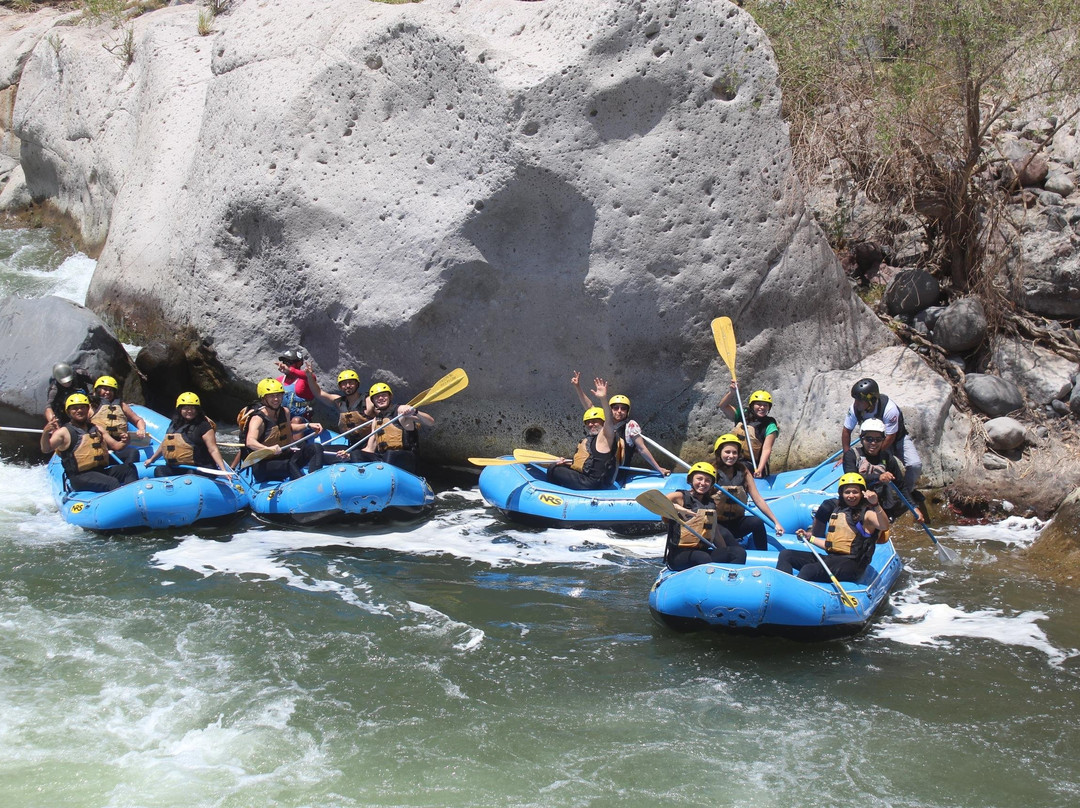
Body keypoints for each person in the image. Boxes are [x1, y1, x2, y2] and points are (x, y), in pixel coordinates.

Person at [776, 472, 890, 582]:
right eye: (847, 492)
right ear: (841, 493)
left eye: (855, 492)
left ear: (861, 493)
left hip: (852, 564)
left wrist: (875, 504)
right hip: (833, 558)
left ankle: (796, 596)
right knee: (786, 555)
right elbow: (831, 546)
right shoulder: (839, 511)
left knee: (808, 570)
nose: (851, 496)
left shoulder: (867, 514)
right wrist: (809, 537)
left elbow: (884, 525)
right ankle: (781, 588)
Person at [570, 371, 669, 475]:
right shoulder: (603, 420)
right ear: (610, 409)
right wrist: (577, 387)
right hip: (598, 468)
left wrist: (659, 468)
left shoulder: (631, 425)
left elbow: (642, 449)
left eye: (623, 408)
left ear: (627, 411)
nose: (619, 411)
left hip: (616, 472)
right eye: (615, 407)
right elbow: (590, 407)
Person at [39, 393, 138, 492]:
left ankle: (134, 498)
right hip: (79, 477)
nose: (79, 410)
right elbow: (46, 449)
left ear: (88, 409)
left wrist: (125, 441)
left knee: (129, 470)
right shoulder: (63, 432)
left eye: (83, 407)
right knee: (112, 482)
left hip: (100, 471)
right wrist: (45, 432)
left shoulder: (97, 428)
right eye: (75, 408)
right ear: (68, 412)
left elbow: (117, 446)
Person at [662, 462, 748, 571]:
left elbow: (715, 533)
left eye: (707, 480)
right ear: (691, 480)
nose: (703, 483)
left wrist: (725, 553)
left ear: (712, 484)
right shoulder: (680, 497)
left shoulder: (710, 504)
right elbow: (660, 503)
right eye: (699, 479)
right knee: (702, 557)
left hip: (701, 551)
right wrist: (677, 508)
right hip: (678, 555)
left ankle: (730, 582)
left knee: (738, 552)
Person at [841, 378, 922, 491]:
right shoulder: (855, 408)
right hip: (873, 441)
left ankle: (907, 490)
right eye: (856, 400)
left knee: (915, 465)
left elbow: (890, 436)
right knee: (872, 466)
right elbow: (846, 430)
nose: (856, 403)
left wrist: (875, 456)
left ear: (871, 401)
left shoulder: (890, 409)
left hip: (896, 440)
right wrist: (847, 456)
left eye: (860, 400)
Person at [241, 378, 325, 483]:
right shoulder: (258, 419)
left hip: (285, 457)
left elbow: (288, 428)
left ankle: (316, 480)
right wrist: (268, 449)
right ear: (263, 399)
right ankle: (307, 485)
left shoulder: (285, 411)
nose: (276, 399)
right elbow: (250, 441)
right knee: (289, 465)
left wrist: (308, 425)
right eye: (272, 396)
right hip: (264, 465)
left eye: (278, 395)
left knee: (315, 448)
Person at [842, 418, 925, 523]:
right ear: (861, 439)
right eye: (869, 439)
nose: (873, 443)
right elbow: (852, 480)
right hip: (858, 500)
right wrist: (878, 477)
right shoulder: (851, 455)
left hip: (881, 501)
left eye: (878, 440)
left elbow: (900, 485)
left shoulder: (887, 456)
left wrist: (914, 507)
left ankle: (886, 516)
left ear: (883, 440)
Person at [711, 433, 785, 550]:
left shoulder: (743, 471)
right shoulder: (712, 472)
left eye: (734, 452)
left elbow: (758, 499)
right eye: (727, 452)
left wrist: (776, 522)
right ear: (719, 453)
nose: (731, 456)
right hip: (717, 525)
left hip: (736, 522)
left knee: (757, 522)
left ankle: (762, 555)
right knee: (734, 546)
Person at [547, 378, 620, 490]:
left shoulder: (606, 436)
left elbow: (608, 419)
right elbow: (590, 407)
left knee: (553, 469)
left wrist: (603, 399)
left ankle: (554, 493)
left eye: (595, 421)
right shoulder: (596, 436)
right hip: (591, 480)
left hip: (590, 483)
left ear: (603, 421)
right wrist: (577, 387)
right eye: (588, 422)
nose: (591, 424)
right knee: (560, 465)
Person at [142, 393, 231, 477]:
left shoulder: (203, 426)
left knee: (190, 473)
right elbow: (165, 444)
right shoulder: (174, 424)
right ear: (180, 409)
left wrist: (223, 470)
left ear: (197, 410)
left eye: (192, 408)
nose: (189, 411)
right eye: (186, 408)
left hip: (199, 467)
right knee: (159, 470)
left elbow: (213, 449)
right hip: (178, 468)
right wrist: (152, 459)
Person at [355, 381, 433, 473]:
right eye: (377, 397)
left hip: (406, 458)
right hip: (385, 459)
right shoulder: (376, 420)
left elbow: (430, 422)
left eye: (384, 395)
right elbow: (369, 449)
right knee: (356, 455)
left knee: (390, 455)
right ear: (373, 401)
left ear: (390, 397)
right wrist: (348, 455)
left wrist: (415, 412)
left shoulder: (401, 412)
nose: (380, 398)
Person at [718, 380, 778, 477]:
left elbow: (767, 449)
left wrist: (759, 469)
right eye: (758, 404)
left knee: (739, 469)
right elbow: (723, 406)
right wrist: (732, 393)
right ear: (752, 405)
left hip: (752, 464)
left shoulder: (770, 425)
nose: (762, 407)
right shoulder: (742, 415)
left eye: (766, 405)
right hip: (733, 459)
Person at [89, 375, 147, 465]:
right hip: (99, 447)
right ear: (97, 390)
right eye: (104, 389)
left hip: (118, 445)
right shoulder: (91, 406)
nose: (107, 392)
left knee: (133, 453)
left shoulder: (121, 405)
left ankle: (127, 472)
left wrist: (142, 429)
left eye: (111, 390)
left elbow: (138, 420)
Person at [275, 349, 318, 414]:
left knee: (296, 420)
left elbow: (311, 377)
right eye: (284, 362)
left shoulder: (305, 379)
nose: (285, 365)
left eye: (289, 362)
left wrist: (290, 370)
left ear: (299, 364)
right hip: (282, 418)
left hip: (300, 418)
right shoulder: (278, 380)